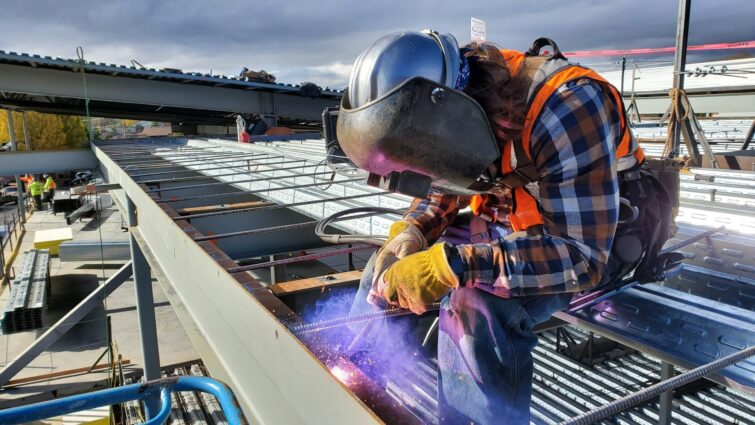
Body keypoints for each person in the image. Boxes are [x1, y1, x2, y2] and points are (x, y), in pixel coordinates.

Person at [336, 31, 675, 424]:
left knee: (474, 303)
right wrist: (413, 232)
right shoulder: (461, 105)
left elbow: (581, 256)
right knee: (385, 268)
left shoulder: (569, 104)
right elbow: (447, 179)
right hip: (510, 224)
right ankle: (354, 387)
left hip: (601, 239)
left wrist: (452, 267)